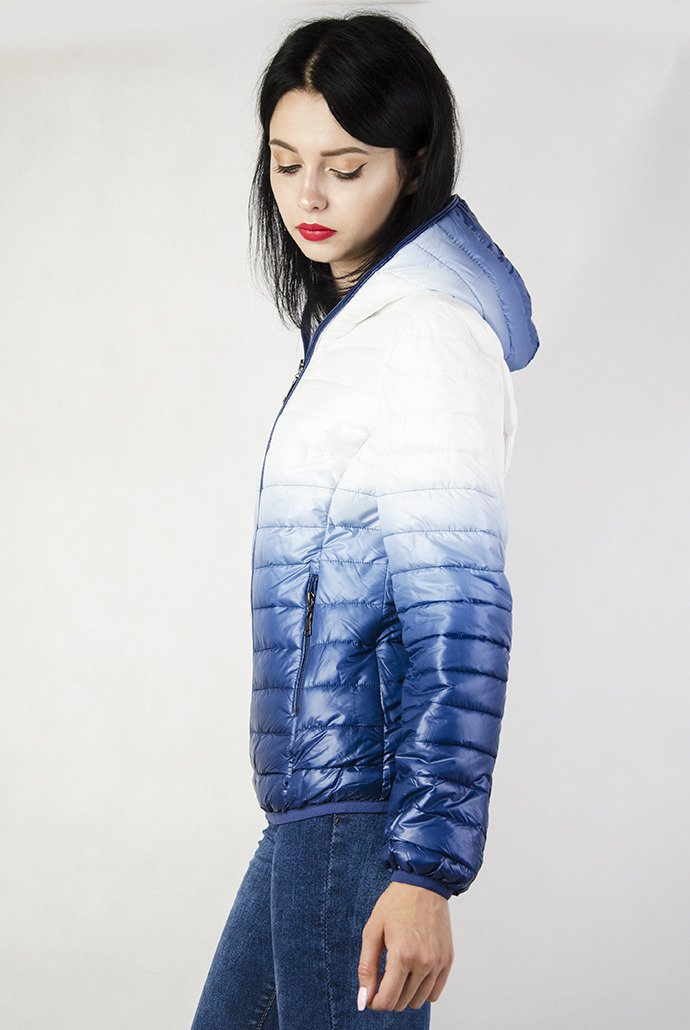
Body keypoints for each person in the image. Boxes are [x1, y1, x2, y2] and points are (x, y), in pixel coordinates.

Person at [190, 11, 539, 1029]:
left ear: (412, 163)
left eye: (345, 168)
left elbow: (460, 613)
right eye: (286, 161)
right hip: (314, 809)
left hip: (367, 814)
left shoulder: (426, 334)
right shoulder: (356, 331)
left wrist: (423, 869)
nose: (309, 195)